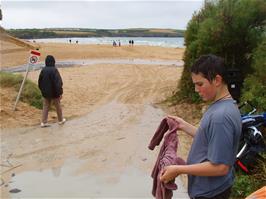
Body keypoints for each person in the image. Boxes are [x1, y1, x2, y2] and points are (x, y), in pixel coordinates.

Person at [160, 54, 242, 199]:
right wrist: (183, 125)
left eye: (200, 84)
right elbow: (211, 138)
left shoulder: (220, 117)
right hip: (215, 189)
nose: (196, 90)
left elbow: (220, 167)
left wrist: (178, 169)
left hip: (211, 193)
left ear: (217, 80)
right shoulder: (225, 105)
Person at [38, 55, 66, 127]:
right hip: (55, 93)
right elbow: (58, 83)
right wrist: (60, 93)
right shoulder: (54, 70)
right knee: (58, 106)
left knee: (46, 106)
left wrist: (42, 90)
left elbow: (39, 82)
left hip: (45, 92)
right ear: (53, 62)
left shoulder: (43, 70)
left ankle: (43, 122)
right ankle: (60, 120)